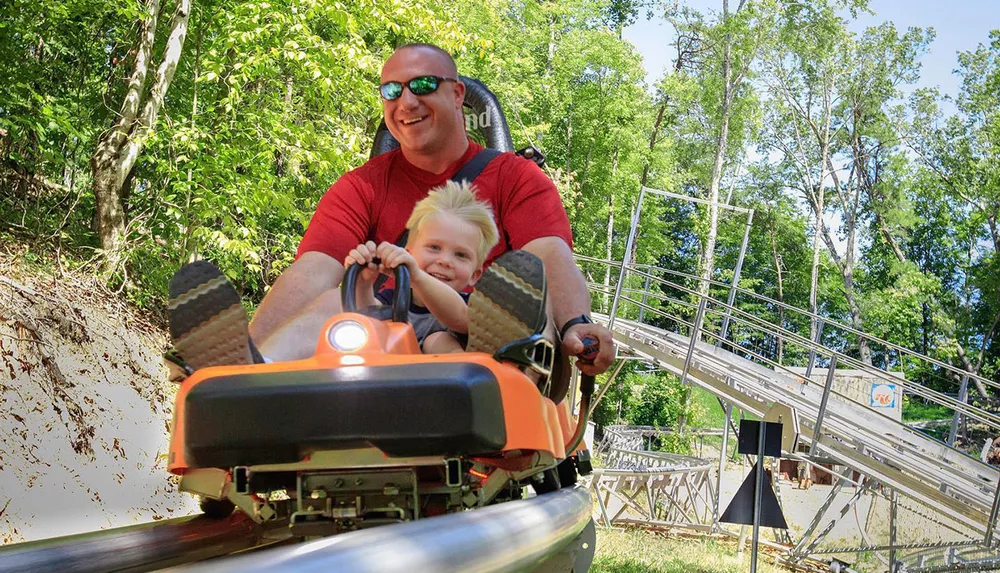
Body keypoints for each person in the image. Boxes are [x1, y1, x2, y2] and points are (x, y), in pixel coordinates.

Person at [168, 42, 615, 376]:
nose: (406, 101)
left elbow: (551, 256)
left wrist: (578, 324)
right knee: (335, 298)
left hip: (479, 334)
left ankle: (493, 383)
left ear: (458, 95)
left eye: (423, 85)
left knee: (512, 298)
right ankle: (246, 370)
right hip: (385, 347)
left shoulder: (517, 178)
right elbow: (311, 270)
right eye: (391, 90)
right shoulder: (361, 186)